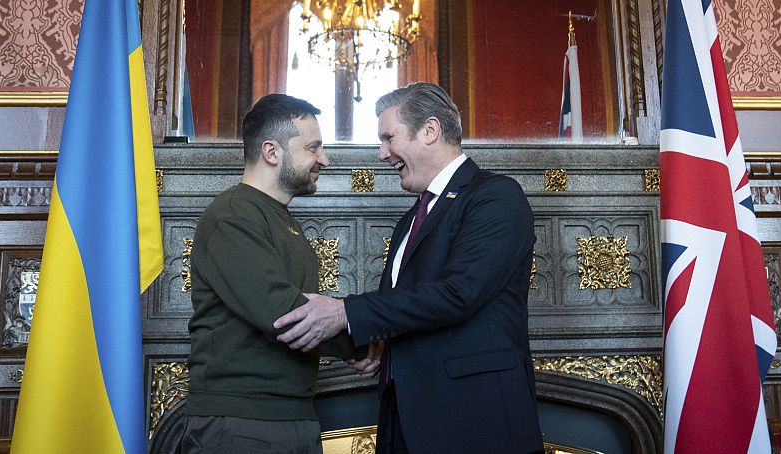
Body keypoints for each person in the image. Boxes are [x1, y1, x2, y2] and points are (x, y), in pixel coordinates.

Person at [274, 83, 544, 453]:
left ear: (430, 131)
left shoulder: (496, 197)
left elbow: (458, 294)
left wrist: (344, 312)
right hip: (408, 418)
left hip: (477, 422)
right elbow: (407, 306)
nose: (382, 153)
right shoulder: (411, 219)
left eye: (388, 137)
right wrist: (379, 348)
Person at [181, 94, 355, 454]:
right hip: (242, 424)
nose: (324, 159)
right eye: (313, 147)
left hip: (291, 417)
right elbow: (283, 312)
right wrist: (365, 344)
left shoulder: (281, 219)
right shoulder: (233, 215)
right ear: (272, 152)